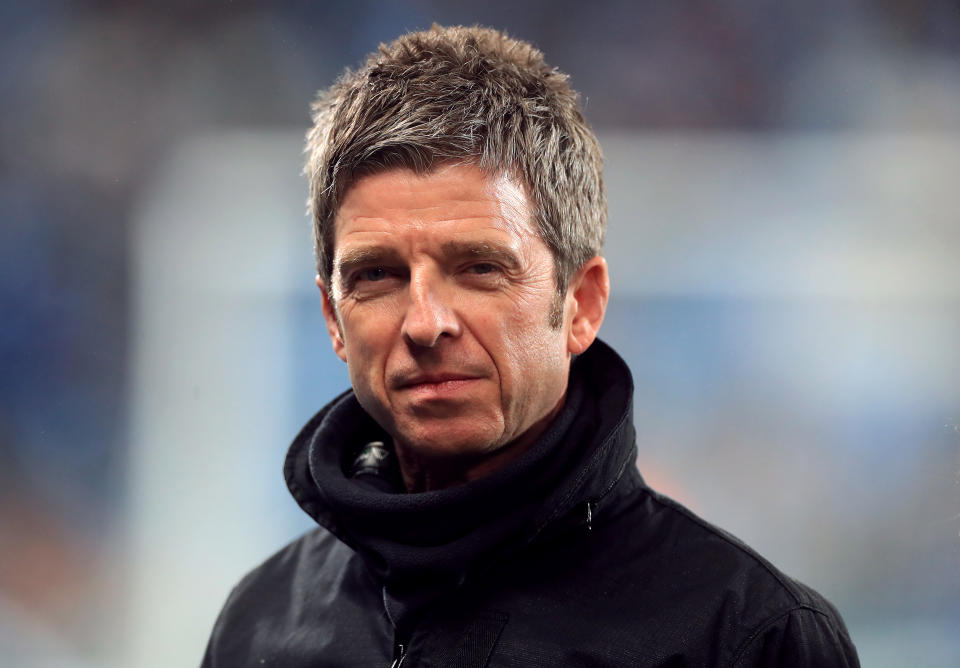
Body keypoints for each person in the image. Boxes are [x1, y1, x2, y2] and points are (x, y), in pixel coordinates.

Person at [202, 25, 859, 667]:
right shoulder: (260, 626)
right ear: (332, 318)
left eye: (480, 268)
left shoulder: (744, 637)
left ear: (582, 304)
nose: (425, 323)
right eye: (378, 275)